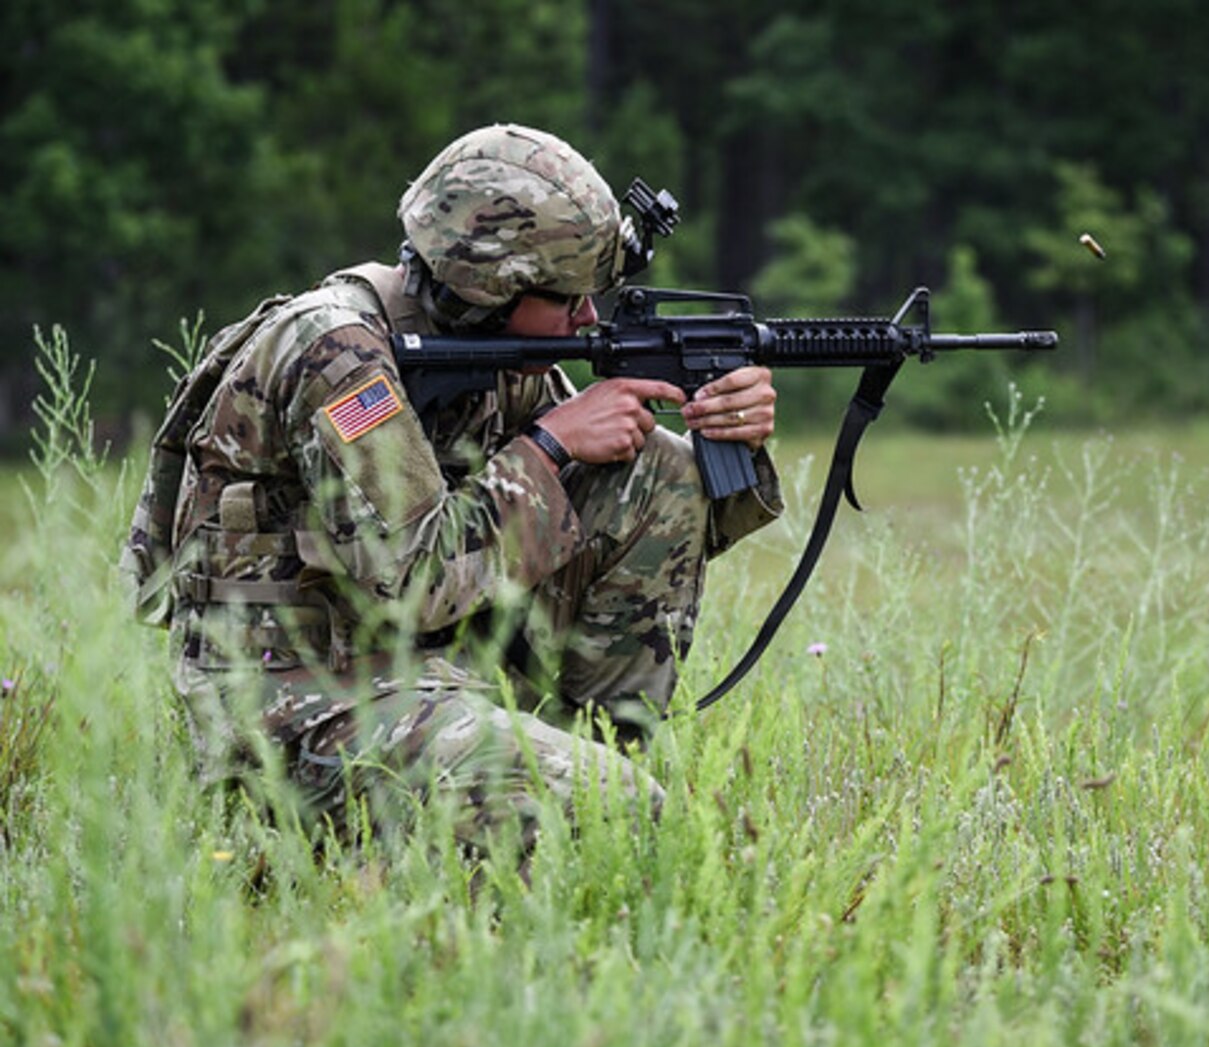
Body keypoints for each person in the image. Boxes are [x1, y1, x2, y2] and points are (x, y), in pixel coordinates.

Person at [123, 123, 782, 851]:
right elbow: (412, 577)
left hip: (425, 674)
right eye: (570, 298)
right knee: (623, 816)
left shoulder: (489, 352)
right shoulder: (337, 354)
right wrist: (551, 441)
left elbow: (656, 527)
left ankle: (586, 764)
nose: (588, 318)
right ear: (491, 288)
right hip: (297, 701)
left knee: (659, 468)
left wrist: (729, 432)